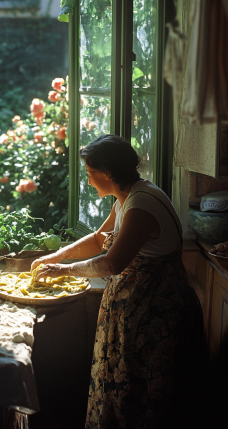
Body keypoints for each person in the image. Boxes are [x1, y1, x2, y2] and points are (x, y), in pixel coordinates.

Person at [31, 134, 206, 429]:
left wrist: (62, 271)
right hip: (135, 310)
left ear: (108, 172)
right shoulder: (129, 197)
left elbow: (111, 262)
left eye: (89, 174)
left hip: (154, 314)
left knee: (143, 395)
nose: (88, 181)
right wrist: (56, 256)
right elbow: (100, 239)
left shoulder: (141, 206)